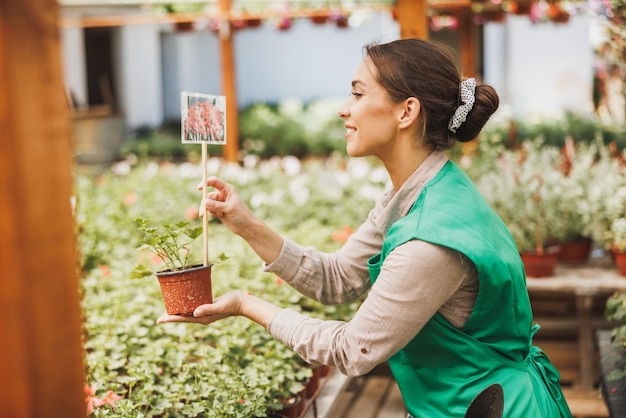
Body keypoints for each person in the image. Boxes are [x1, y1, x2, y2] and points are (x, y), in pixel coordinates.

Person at [157, 38, 572, 417]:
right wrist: (246, 226)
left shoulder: (431, 240)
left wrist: (247, 306)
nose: (344, 108)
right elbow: (337, 279)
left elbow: (353, 349)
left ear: (406, 111)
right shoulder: (418, 193)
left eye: (357, 93)